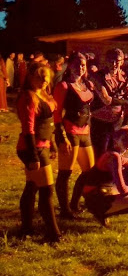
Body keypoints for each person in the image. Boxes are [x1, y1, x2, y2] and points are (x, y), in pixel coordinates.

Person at [16, 63, 61, 242]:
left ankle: (26, 228)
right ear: (30, 77)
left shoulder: (42, 95)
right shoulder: (28, 97)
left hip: (41, 146)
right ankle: (53, 234)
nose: (43, 81)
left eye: (46, 78)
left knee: (32, 187)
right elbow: (28, 129)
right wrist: (33, 156)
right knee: (47, 189)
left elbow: (48, 125)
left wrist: (53, 145)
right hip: (31, 148)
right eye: (39, 77)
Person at [53, 52, 96, 219]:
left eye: (83, 65)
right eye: (77, 64)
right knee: (65, 172)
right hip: (70, 132)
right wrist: (61, 136)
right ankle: (64, 210)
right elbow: (56, 113)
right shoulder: (63, 86)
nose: (80, 67)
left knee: (89, 171)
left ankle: (74, 204)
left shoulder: (86, 84)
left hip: (85, 132)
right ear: (69, 66)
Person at [91, 48, 128, 158]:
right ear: (106, 61)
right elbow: (106, 100)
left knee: (115, 154)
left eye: (117, 61)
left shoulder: (125, 79)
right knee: (100, 156)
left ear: (122, 61)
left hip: (117, 122)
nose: (114, 64)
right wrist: (125, 101)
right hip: (100, 122)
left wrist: (126, 122)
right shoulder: (98, 77)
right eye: (111, 61)